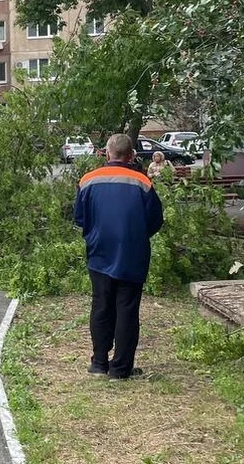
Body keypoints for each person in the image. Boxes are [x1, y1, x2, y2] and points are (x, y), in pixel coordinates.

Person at [74, 134, 164, 380]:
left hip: (99, 252)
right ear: (132, 155)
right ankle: (120, 369)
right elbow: (155, 220)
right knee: (127, 309)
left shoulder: (87, 181)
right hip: (132, 254)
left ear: (106, 152)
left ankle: (98, 363)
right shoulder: (142, 182)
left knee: (101, 306)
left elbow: (79, 218)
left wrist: (94, 235)